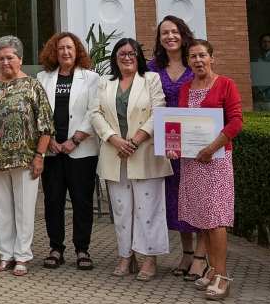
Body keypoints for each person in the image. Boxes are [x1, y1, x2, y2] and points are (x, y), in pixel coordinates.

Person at [0, 35, 52, 277]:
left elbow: (46, 125)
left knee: (25, 209)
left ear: (20, 60)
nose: (5, 62)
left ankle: (23, 256)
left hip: (26, 159)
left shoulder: (33, 86)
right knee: (3, 209)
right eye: (1, 58)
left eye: (10, 57)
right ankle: (6, 254)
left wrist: (40, 156)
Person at [89, 37, 171, 280]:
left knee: (148, 209)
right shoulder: (105, 83)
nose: (127, 57)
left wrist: (135, 140)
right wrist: (114, 139)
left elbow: (159, 112)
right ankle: (126, 255)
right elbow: (95, 113)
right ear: (115, 57)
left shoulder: (151, 79)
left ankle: (149, 259)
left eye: (132, 53)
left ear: (139, 57)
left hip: (144, 152)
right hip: (115, 154)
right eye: (122, 53)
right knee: (122, 209)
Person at [174, 39, 244, 300]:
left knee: (216, 219)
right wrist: (174, 146)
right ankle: (212, 270)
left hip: (216, 161)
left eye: (202, 55)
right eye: (193, 57)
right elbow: (179, 123)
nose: (198, 61)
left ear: (212, 58)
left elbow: (236, 121)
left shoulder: (226, 84)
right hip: (192, 162)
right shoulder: (185, 88)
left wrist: (212, 148)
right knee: (202, 219)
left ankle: (223, 277)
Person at [35, 31, 101, 271]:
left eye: (70, 48)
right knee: (53, 201)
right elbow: (39, 112)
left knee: (82, 201)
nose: (65, 52)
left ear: (77, 52)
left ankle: (82, 249)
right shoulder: (43, 78)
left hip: (81, 150)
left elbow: (95, 111)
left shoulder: (92, 79)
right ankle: (56, 248)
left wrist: (76, 139)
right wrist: (49, 138)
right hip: (52, 150)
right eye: (61, 48)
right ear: (54, 52)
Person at [147, 15, 203, 278]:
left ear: (183, 33)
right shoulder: (152, 67)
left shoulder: (195, 63)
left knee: (198, 196)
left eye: (174, 32)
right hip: (168, 141)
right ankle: (187, 253)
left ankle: (202, 257)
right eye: (164, 33)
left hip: (196, 140)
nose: (170, 37)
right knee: (177, 199)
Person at [252, 34, 270, 113]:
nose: (266, 44)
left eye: (269, 41)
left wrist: (258, 88)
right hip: (258, 99)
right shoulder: (256, 59)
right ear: (260, 43)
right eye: (264, 41)